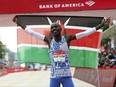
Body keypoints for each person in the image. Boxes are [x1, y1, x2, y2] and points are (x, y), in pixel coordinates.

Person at [13, 16, 110, 87]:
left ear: (60, 29)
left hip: (66, 77)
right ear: (51, 31)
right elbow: (32, 32)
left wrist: (101, 25)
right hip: (54, 78)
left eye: (56, 27)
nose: (54, 29)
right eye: (52, 28)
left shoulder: (67, 39)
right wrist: (19, 23)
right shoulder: (48, 40)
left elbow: (85, 33)